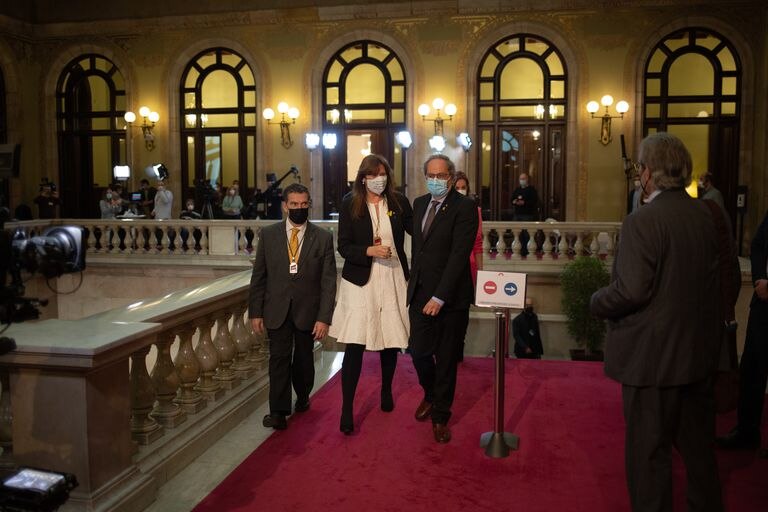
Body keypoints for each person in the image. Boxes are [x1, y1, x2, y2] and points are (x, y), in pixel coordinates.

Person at [590, 132, 734, 512]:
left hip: (651, 361)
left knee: (649, 457)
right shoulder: (707, 215)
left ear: (648, 173)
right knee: (699, 454)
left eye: (640, 168)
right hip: (697, 355)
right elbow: (722, 281)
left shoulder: (642, 221)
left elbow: (631, 291)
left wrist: (597, 301)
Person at [329, 154, 413, 435]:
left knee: (390, 338)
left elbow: (420, 232)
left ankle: (387, 390)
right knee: (355, 344)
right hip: (360, 280)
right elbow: (343, 246)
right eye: (374, 174)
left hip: (391, 276)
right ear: (363, 177)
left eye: (383, 173)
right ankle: (347, 409)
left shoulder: (399, 202)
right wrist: (369, 250)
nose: (380, 179)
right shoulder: (349, 203)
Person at [248, 183, 337, 430]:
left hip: (308, 312)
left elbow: (328, 282)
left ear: (309, 205)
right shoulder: (269, 235)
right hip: (276, 309)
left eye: (304, 204)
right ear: (285, 206)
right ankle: (277, 412)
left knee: (303, 361)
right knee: (278, 358)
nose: (299, 209)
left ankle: (304, 395)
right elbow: (259, 276)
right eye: (294, 204)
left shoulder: (323, 238)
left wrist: (324, 318)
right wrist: (255, 311)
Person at [408, 154, 478, 444]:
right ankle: (431, 392)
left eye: (442, 175)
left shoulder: (465, 207)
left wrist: (440, 296)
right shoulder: (420, 204)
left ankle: (440, 416)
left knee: (447, 359)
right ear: (425, 177)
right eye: (431, 175)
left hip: (450, 299)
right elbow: (421, 249)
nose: (436, 180)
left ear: (451, 176)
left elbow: (459, 256)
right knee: (418, 351)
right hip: (420, 292)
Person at [717, 209, 768, 451]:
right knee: (751, 369)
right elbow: (757, 244)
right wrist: (760, 279)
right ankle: (746, 431)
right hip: (763, 302)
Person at [453, 171, 483, 361]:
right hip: (447, 266)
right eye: (457, 187)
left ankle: (458, 351)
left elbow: (478, 243)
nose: (461, 191)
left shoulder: (475, 210)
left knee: (462, 311)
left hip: (468, 266)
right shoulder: (443, 209)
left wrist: (481, 273)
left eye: (463, 187)